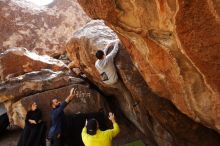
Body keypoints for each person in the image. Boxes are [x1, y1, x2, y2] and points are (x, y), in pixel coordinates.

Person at [95, 40, 139, 110]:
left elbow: (103, 55)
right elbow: (115, 50)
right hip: (114, 81)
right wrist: (116, 42)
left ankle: (124, 100)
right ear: (103, 55)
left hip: (106, 81)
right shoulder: (109, 59)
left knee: (120, 89)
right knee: (125, 91)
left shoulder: (97, 63)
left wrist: (108, 45)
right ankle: (132, 105)